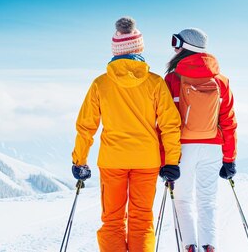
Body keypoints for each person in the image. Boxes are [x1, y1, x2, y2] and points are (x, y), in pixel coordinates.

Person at [71, 17, 182, 252]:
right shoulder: (154, 83)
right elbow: (170, 124)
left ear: (115, 50)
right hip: (146, 160)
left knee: (112, 221)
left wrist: (80, 160)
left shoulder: (100, 84)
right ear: (139, 48)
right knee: (142, 221)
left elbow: (86, 126)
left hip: (113, 161)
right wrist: (171, 161)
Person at [163, 28, 237, 252]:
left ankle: (190, 246)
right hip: (213, 147)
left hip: (182, 148)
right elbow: (228, 121)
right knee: (207, 200)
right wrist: (229, 158)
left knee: (183, 199)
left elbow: (167, 122)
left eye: (176, 42)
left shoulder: (172, 79)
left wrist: (167, 160)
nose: (174, 48)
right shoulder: (221, 81)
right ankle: (209, 246)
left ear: (186, 47)